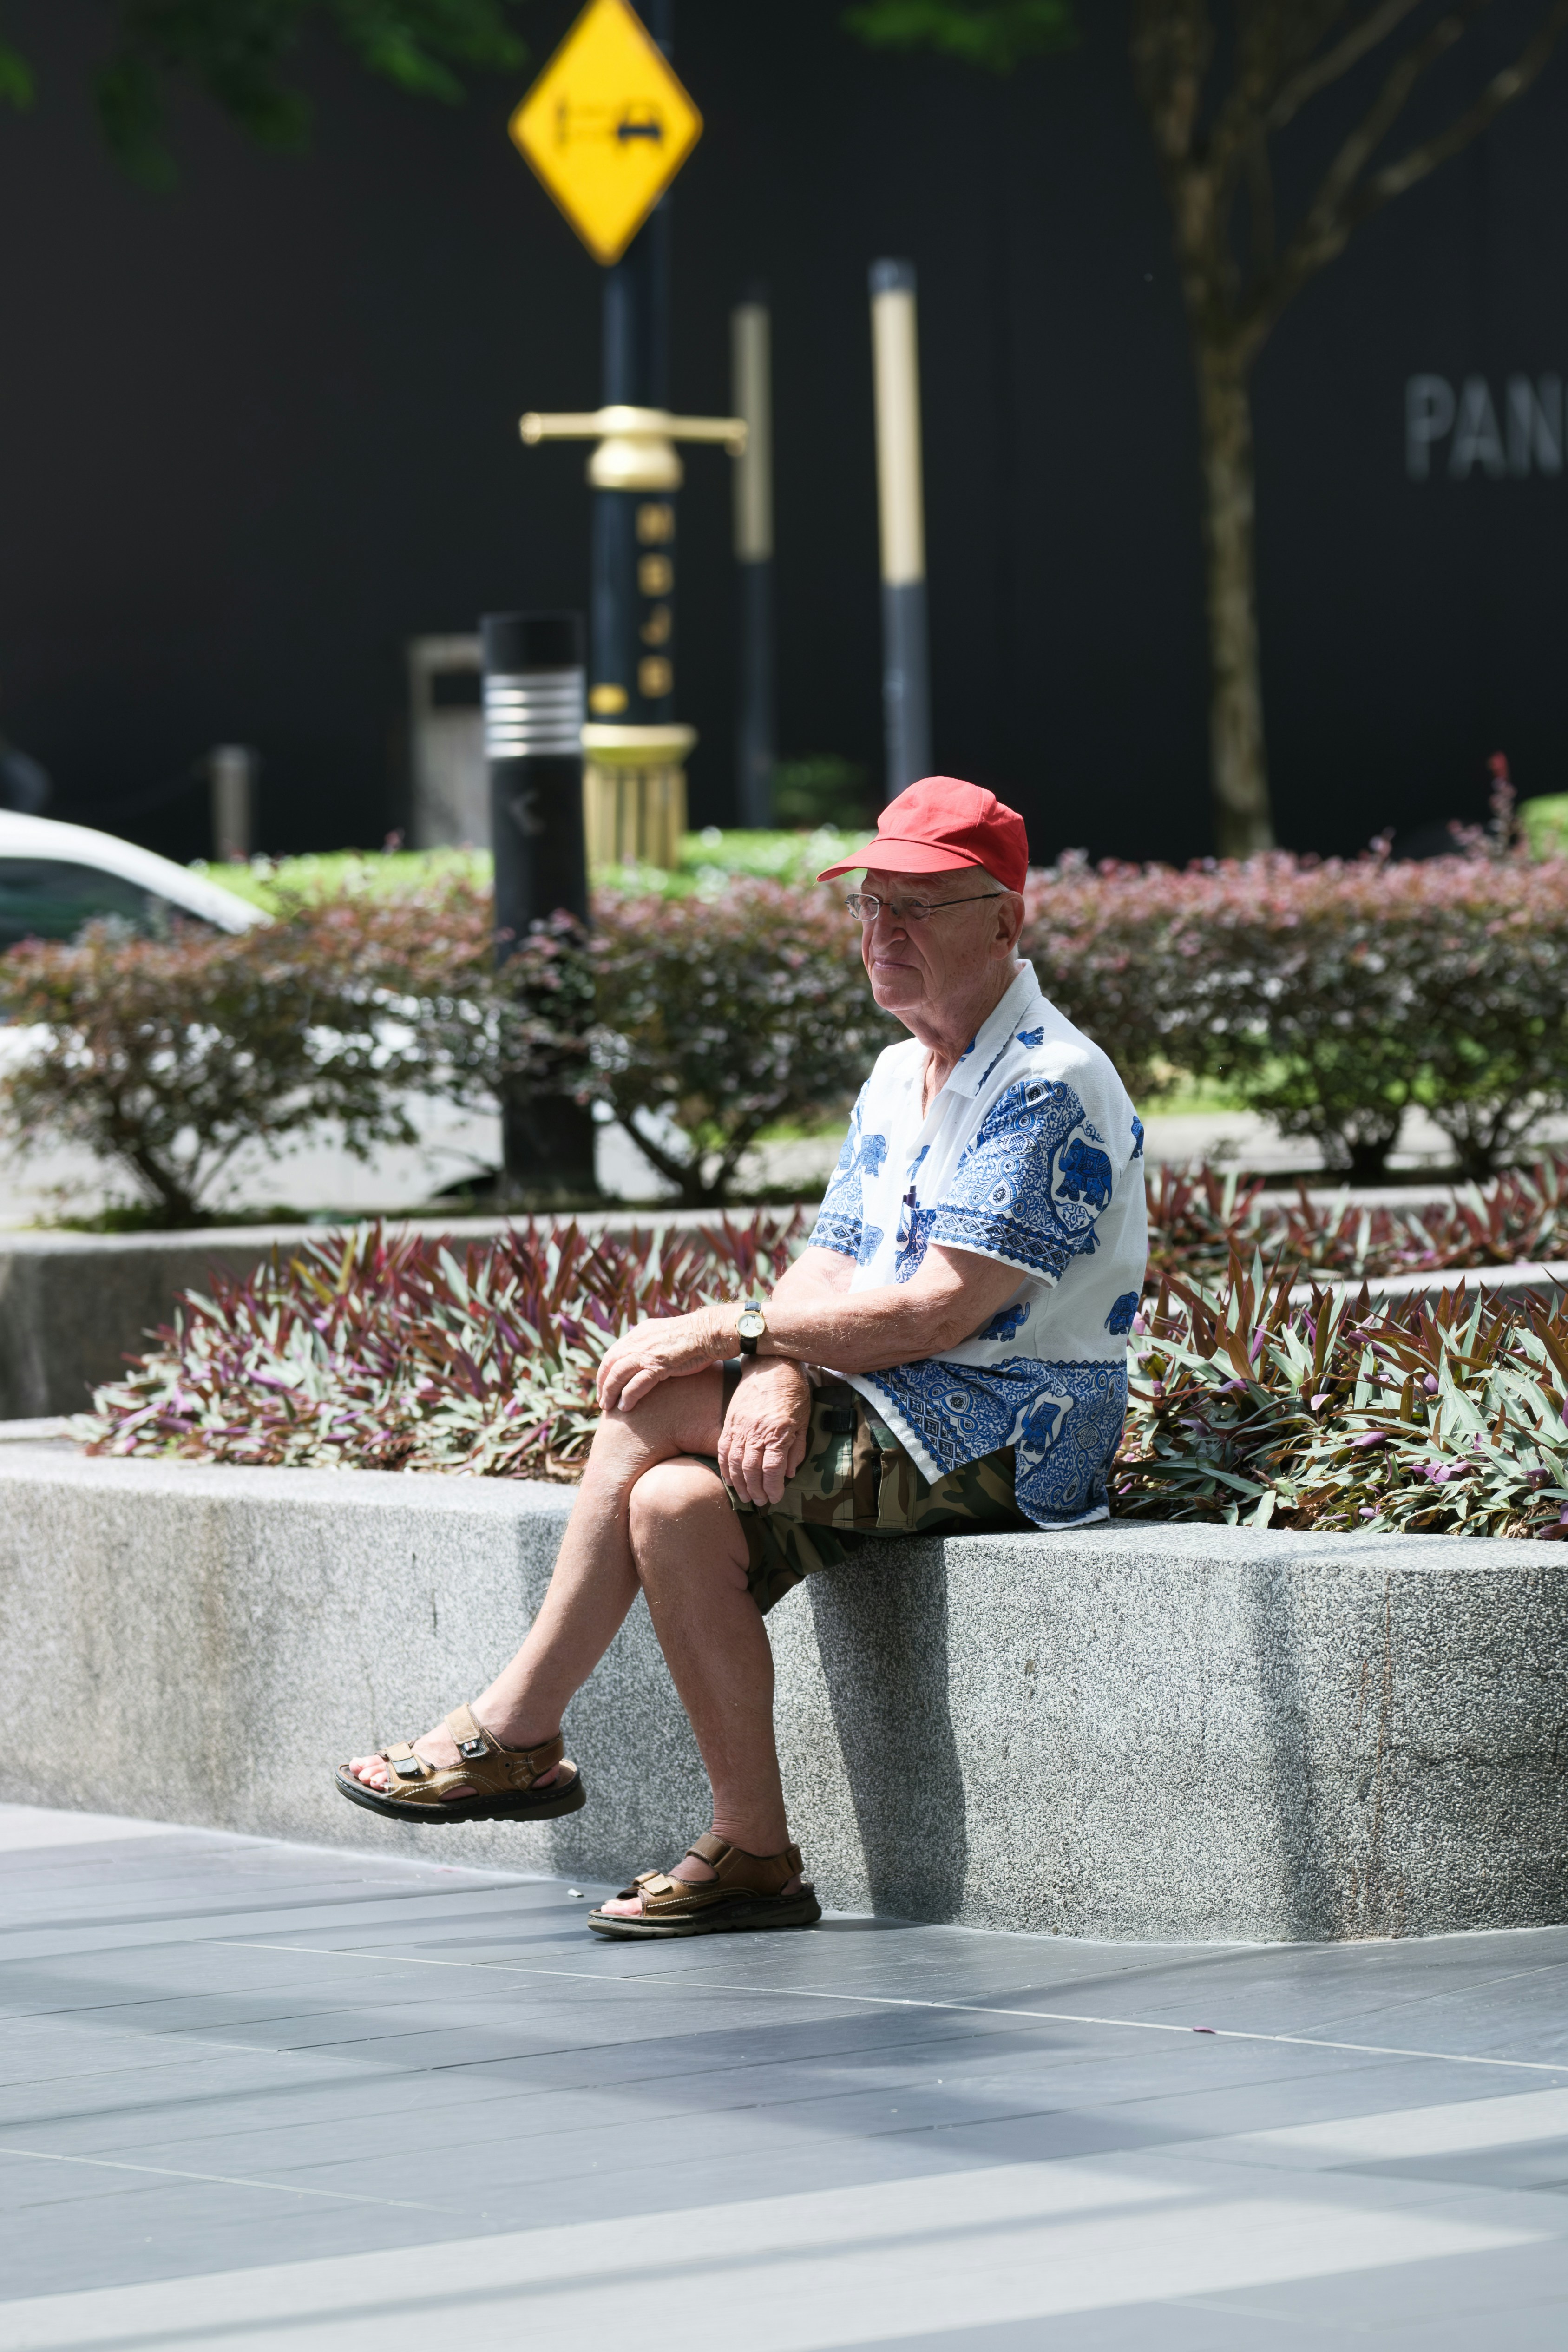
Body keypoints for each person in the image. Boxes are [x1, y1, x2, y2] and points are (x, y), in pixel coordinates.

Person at [338, 776, 1148, 1938]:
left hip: (1013, 1425)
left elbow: (938, 1312)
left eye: (917, 908)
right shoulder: (896, 1072)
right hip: (901, 1403)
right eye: (870, 908)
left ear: (1005, 921)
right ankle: (753, 1853)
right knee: (672, 1503)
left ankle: (515, 1730)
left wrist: (738, 1335)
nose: (884, 935)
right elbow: (826, 1265)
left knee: (664, 1387)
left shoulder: (1047, 1082)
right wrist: (774, 1364)